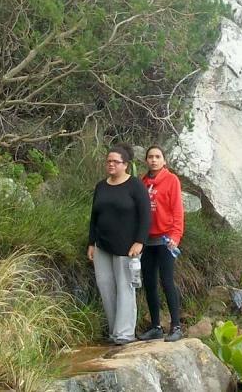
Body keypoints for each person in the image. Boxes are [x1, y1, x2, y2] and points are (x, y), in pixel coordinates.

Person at [87, 145, 151, 346]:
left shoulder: (135, 186)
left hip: (127, 247)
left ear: (126, 164)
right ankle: (114, 331)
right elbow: (94, 217)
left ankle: (124, 333)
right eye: (109, 161)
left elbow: (145, 215)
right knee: (105, 286)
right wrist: (91, 243)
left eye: (115, 161)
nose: (111, 164)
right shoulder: (101, 186)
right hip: (102, 246)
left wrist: (140, 241)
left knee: (125, 287)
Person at [136, 146, 185, 342]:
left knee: (167, 281)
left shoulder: (171, 180)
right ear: (146, 160)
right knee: (149, 283)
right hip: (147, 241)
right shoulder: (142, 182)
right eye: (150, 157)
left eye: (158, 157)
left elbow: (177, 210)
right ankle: (156, 326)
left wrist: (176, 236)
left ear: (164, 160)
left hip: (166, 240)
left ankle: (176, 326)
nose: (154, 160)